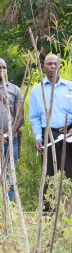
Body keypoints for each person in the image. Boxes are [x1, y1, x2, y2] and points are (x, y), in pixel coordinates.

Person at [29, 54, 72, 209]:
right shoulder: (36, 91)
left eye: (55, 64)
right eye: (49, 64)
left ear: (60, 66)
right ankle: (48, 211)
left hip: (70, 132)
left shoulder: (71, 87)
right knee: (50, 173)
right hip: (49, 134)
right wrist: (38, 138)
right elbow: (34, 118)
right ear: (44, 67)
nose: (52, 67)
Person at [0, 58, 23, 201]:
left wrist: (9, 134)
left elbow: (20, 117)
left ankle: (8, 207)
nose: (2, 70)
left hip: (11, 140)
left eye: (4, 67)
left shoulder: (15, 90)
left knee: (10, 175)